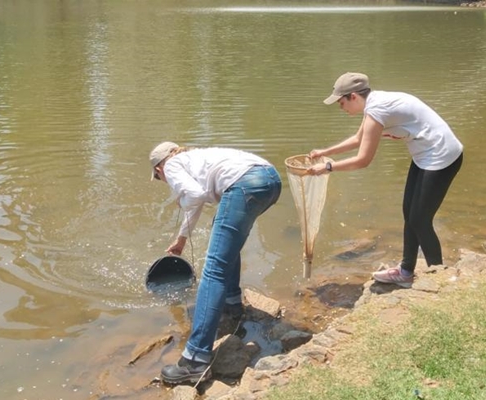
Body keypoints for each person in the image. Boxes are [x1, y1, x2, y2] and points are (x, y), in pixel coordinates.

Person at [307, 72, 463, 288]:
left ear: (353, 96)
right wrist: (325, 151)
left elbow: (363, 160)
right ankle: (406, 271)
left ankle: (438, 275)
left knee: (420, 219)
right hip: (424, 155)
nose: (341, 108)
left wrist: (327, 167)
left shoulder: (377, 109)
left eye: (341, 103)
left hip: (442, 156)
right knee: (410, 213)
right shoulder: (373, 105)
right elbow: (358, 139)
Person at [149, 141, 282, 384]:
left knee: (213, 271)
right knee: (225, 241)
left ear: (159, 170)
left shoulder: (172, 166)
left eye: (160, 178)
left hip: (246, 183)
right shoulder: (195, 159)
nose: (164, 180)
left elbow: (195, 197)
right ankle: (232, 304)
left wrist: (182, 200)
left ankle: (195, 360)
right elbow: (196, 202)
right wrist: (180, 241)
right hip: (270, 180)